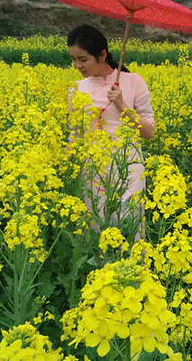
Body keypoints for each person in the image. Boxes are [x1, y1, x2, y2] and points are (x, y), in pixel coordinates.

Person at [67, 24, 155, 237]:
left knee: (130, 226)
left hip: (128, 167)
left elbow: (149, 131)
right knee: (96, 231)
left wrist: (123, 106)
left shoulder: (134, 81)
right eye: (74, 59)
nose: (78, 65)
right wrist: (67, 167)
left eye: (83, 59)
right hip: (93, 170)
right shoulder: (77, 89)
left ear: (102, 54)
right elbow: (75, 134)